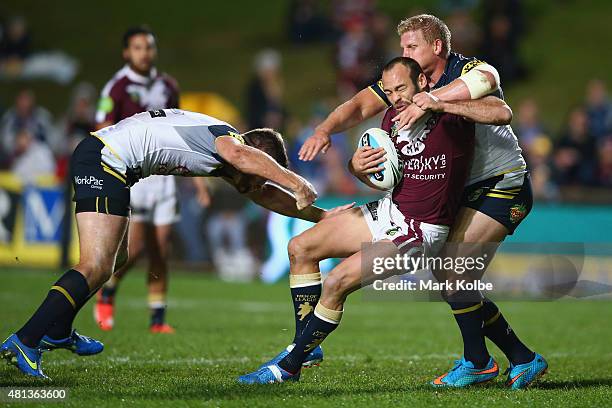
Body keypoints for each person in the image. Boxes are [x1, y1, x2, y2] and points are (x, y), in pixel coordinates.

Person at [0, 108, 353, 379]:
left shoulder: (224, 153)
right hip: (105, 161)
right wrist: (297, 182)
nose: (258, 185)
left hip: (108, 160)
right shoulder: (229, 143)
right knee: (95, 264)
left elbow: (262, 195)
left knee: (113, 259)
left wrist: (323, 217)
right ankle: (26, 340)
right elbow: (247, 162)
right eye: (261, 176)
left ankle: (58, 330)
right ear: (253, 155)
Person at [296, 14, 546, 389]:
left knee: (453, 270)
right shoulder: (408, 80)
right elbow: (360, 105)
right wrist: (325, 130)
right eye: (402, 48)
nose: (404, 53)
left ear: (438, 47)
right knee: (451, 274)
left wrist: (434, 102)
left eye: (411, 46)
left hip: (502, 183)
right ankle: (518, 358)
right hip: (463, 188)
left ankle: (480, 362)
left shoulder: (467, 70)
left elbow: (492, 91)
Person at [238, 57, 512, 385]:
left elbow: (501, 112)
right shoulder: (392, 120)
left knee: (337, 282)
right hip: (388, 211)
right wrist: (357, 168)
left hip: (419, 232)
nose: (395, 97)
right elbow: (385, 178)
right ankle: (308, 347)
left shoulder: (451, 117)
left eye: (401, 89)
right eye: (389, 90)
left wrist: (441, 104)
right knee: (300, 247)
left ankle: (288, 366)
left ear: (422, 84)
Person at [93, 26, 198, 333]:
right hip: (136, 176)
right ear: (127, 52)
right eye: (138, 48)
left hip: (164, 177)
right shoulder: (117, 87)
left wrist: (199, 179)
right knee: (134, 249)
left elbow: (183, 129)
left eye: (149, 47)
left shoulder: (167, 85)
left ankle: (157, 320)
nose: (144, 53)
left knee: (161, 251)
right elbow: (102, 126)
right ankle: (107, 291)